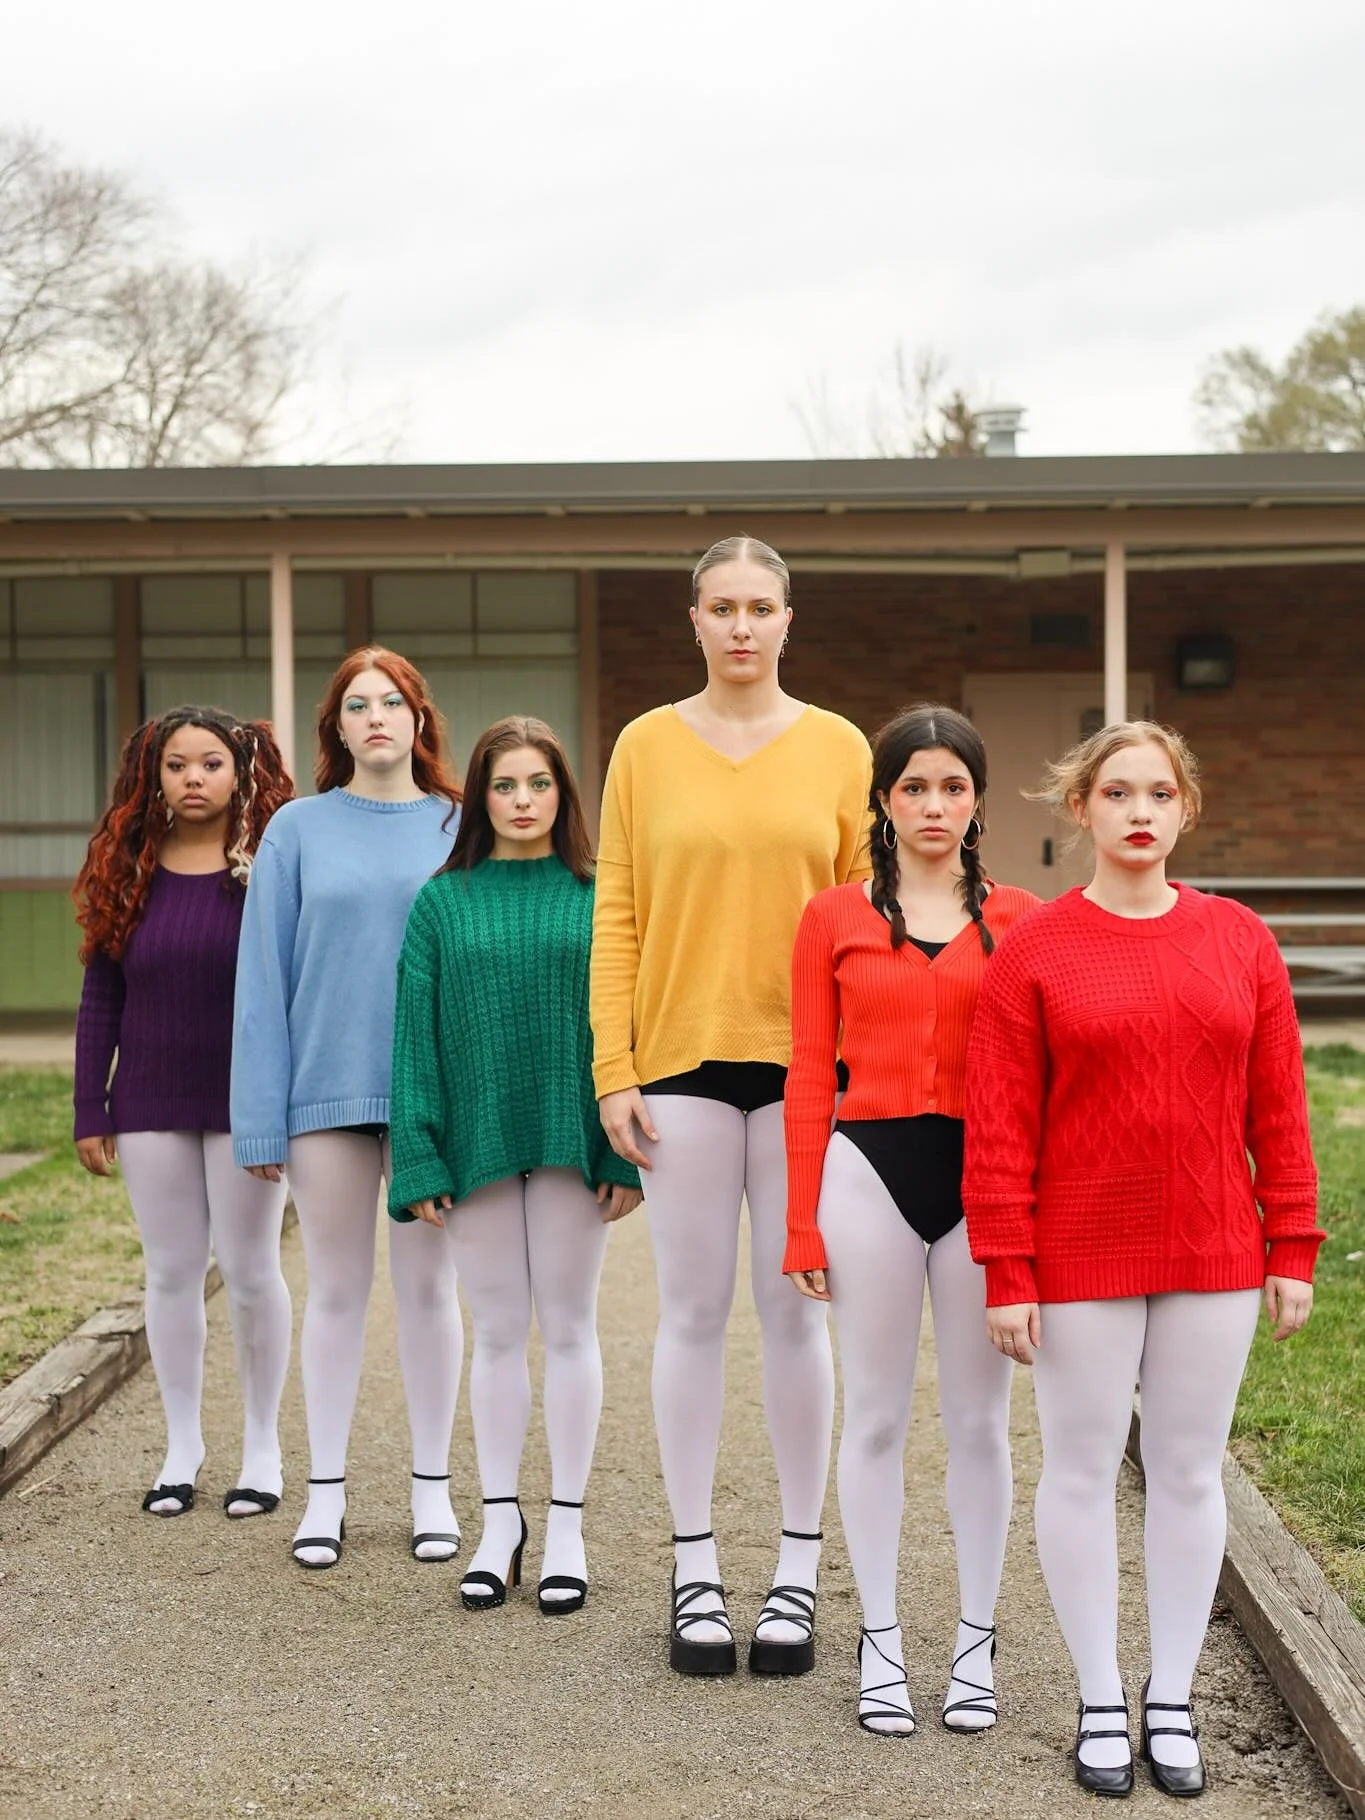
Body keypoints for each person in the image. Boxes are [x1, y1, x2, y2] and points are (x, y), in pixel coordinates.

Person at [963, 720, 1322, 1799]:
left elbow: (1279, 1105)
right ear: (1081, 809)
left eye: (1158, 793)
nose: (1138, 811)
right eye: (1116, 792)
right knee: (1078, 1467)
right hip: (1079, 1247)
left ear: (1184, 808)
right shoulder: (1035, 949)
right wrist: (1007, 1267)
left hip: (1215, 1245)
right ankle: (1098, 1697)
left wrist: (1292, 1241)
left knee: (1188, 1469)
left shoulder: (1239, 939)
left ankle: (1171, 1694)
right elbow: (1000, 1124)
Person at [593, 533, 872, 1677]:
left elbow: (869, 914)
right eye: (723, 606)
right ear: (695, 619)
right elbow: (618, 910)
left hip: (814, 1072)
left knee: (797, 1313)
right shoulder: (644, 746)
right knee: (693, 1314)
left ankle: (798, 1569)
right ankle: (696, 1567)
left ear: (789, 619)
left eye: (761, 606)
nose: (742, 625)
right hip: (683, 1065)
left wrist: (867, 1074)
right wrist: (614, 1066)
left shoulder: (843, 748)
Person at [784, 705, 1038, 1736]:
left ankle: (975, 1639)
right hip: (867, 1176)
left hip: (986, 1184)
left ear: (977, 801)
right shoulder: (830, 917)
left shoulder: (1023, 918)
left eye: (953, 787)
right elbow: (810, 1071)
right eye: (914, 787)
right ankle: (880, 1636)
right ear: (883, 801)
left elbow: (1046, 1075)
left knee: (980, 1422)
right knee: (878, 1417)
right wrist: (800, 1222)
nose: (935, 805)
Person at [388, 717, 642, 1615]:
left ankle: (566, 1526)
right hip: (476, 1141)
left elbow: (629, 1027)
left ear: (563, 794)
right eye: (504, 785)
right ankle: (500, 1525)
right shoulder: (440, 903)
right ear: (479, 798)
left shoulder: (601, 895)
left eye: (539, 784)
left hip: (575, 1135)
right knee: (496, 1332)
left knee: (569, 1328)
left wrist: (622, 1152)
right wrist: (417, 1153)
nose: (523, 801)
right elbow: (413, 1037)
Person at [231, 647, 466, 1570]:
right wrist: (259, 1115)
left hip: (431, 1102)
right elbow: (263, 980)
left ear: (419, 718)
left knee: (429, 1291)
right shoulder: (296, 829)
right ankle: (323, 1493)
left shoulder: (460, 825)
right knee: (335, 1290)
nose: (376, 718)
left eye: (392, 702)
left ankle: (431, 1488)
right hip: (323, 1094)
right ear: (335, 726)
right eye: (357, 705)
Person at [73, 705, 295, 1519]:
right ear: (153, 776)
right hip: (147, 1101)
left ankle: (263, 1448)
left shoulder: (268, 867)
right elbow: (101, 996)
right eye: (176, 765)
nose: (192, 778)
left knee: (249, 1269)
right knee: (170, 1272)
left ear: (240, 772)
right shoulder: (128, 869)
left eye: (209, 763)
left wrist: (284, 1102)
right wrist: (89, 1106)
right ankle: (182, 1448)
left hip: (247, 1104)